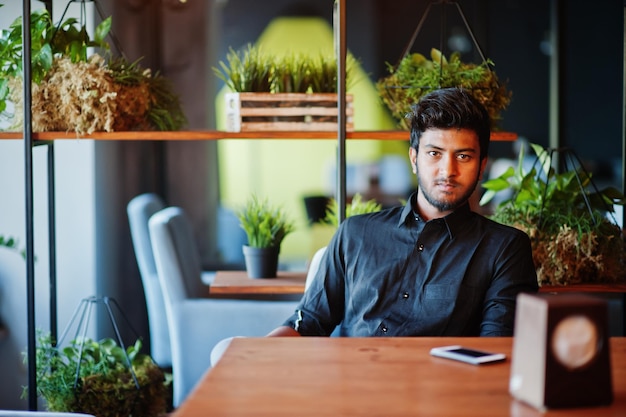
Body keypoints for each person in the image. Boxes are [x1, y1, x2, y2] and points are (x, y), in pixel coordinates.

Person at [268, 87, 538, 337]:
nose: (448, 170)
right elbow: (309, 321)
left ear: (481, 166)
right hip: (351, 383)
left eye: (463, 156)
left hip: (443, 387)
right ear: (413, 158)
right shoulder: (355, 234)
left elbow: (497, 347)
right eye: (434, 153)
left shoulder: (505, 248)